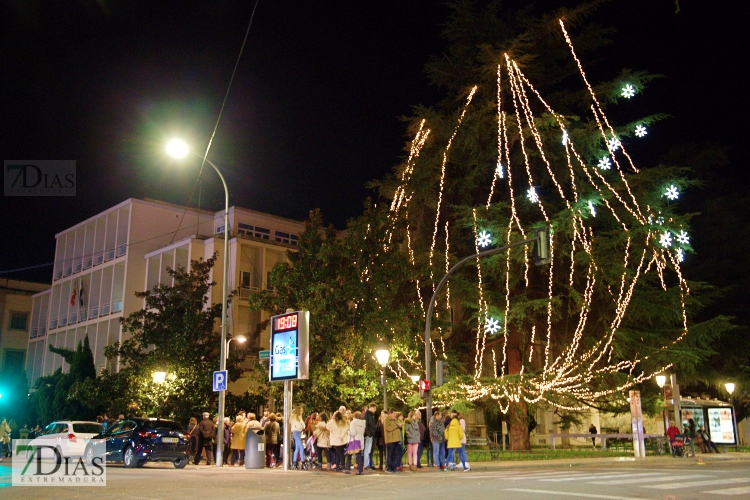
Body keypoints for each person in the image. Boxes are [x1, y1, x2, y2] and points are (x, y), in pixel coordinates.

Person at [384, 409, 402, 473]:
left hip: (396, 440)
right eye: (394, 414)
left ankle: (394, 468)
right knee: (390, 455)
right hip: (390, 440)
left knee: (395, 455)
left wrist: (400, 426)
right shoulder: (387, 420)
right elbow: (388, 428)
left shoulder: (395, 420)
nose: (395, 415)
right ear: (390, 413)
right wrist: (396, 425)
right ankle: (388, 467)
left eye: (395, 414)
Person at [364, 403, 377, 470]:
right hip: (369, 435)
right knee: (367, 450)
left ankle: (369, 463)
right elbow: (366, 425)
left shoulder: (370, 415)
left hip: (370, 434)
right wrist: (369, 434)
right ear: (371, 407)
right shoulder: (368, 415)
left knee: (369, 450)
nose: (375, 410)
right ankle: (366, 464)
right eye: (374, 408)